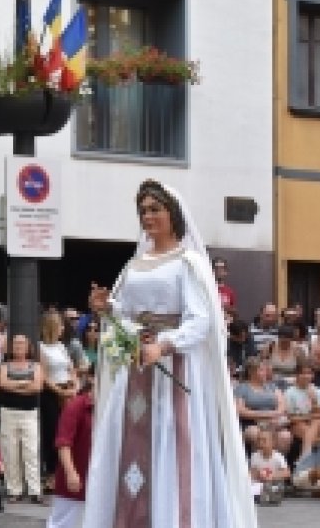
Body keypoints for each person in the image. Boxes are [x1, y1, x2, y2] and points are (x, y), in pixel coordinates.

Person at [85, 179, 256, 526]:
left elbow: (201, 320)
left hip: (174, 370)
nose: (147, 216)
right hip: (137, 369)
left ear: (172, 214)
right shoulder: (134, 265)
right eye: (143, 210)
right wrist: (108, 309)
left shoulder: (188, 262)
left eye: (155, 209)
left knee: (170, 444)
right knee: (128, 444)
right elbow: (127, 315)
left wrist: (163, 345)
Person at [0, 334, 44, 504]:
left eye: (22, 343)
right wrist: (25, 384)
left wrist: (14, 385)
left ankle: (35, 490)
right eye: (15, 344)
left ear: (28, 346)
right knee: (10, 451)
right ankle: (14, 490)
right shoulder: (4, 366)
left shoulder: (36, 366)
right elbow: (2, 383)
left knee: (31, 450)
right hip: (8, 411)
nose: (18, 346)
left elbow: (37, 386)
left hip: (29, 412)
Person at [46, 375, 94, 528]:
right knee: (63, 522)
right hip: (75, 478)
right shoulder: (76, 406)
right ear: (92, 379)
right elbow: (63, 442)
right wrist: (71, 472)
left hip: (96, 480)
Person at [37, 310, 77, 492]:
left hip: (67, 388)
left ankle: (65, 470)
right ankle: (52, 472)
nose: (62, 328)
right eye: (60, 325)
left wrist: (74, 385)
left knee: (68, 430)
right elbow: (43, 376)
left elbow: (71, 368)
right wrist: (59, 391)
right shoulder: (41, 348)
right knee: (53, 432)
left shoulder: (61, 346)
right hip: (52, 392)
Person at [235, 358, 290, 452]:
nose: (266, 372)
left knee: (285, 436)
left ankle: (277, 463)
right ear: (251, 372)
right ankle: (259, 463)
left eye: (265, 370)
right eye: (262, 370)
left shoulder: (272, 386)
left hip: (274, 422)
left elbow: (282, 405)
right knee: (255, 433)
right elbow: (240, 410)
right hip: (252, 423)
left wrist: (274, 416)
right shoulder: (242, 388)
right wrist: (265, 415)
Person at [284, 363, 320, 458]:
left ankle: (303, 460)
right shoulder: (289, 393)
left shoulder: (318, 391)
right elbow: (291, 418)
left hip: (314, 423)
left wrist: (314, 401)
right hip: (296, 424)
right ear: (297, 375)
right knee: (312, 432)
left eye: (309, 373)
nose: (306, 376)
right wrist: (311, 416)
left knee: (317, 422)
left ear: (313, 375)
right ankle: (306, 460)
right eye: (303, 373)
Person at [249, 429, 290, 505]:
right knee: (252, 487)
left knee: (276, 486)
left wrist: (272, 475)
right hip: (260, 484)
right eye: (259, 440)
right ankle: (264, 496)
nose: (261, 443)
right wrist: (259, 475)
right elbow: (252, 473)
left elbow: (286, 473)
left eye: (264, 440)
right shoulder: (254, 456)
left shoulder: (278, 457)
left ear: (273, 442)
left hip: (273, 483)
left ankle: (269, 496)